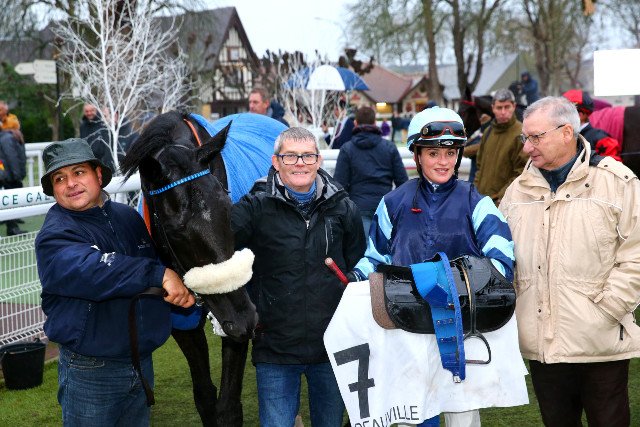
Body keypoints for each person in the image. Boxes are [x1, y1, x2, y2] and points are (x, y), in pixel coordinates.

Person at [351, 107, 524, 426]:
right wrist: (355, 278)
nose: (444, 162)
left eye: (451, 153)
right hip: (407, 328)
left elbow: (501, 263)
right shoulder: (393, 202)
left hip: (463, 331)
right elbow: (375, 258)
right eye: (433, 153)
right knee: (413, 418)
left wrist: (448, 283)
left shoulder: (477, 202)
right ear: (417, 155)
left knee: (462, 419)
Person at [499, 96, 640, 426]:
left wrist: (607, 309)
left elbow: (635, 253)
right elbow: (504, 261)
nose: (527, 148)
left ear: (566, 133)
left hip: (601, 342)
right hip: (542, 347)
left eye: (535, 137)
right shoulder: (516, 192)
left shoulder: (617, 183)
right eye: (524, 138)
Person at [35, 138, 194, 425]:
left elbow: (159, 265)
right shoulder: (55, 234)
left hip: (140, 360)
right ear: (53, 189)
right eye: (59, 178)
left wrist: (186, 284)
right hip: (89, 369)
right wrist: (159, 275)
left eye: (78, 172)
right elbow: (92, 271)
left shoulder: (128, 217)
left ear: (98, 175)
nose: (70, 183)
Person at [232, 127, 366, 427]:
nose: (300, 163)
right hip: (275, 347)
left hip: (331, 345)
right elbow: (220, 246)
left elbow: (357, 258)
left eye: (307, 156)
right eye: (290, 156)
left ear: (318, 160)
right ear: (276, 162)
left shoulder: (343, 206)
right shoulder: (253, 207)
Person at [333, 106, 408, 232]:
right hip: (385, 206)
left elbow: (340, 185)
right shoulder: (389, 147)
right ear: (374, 123)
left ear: (355, 123)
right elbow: (402, 182)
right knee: (384, 243)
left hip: (357, 206)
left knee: (363, 244)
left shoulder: (347, 149)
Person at [474, 88, 528, 205]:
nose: (503, 112)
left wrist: (501, 197)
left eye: (507, 107)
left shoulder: (522, 133)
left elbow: (522, 172)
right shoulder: (488, 132)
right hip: (481, 201)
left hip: (503, 203)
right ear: (493, 108)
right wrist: (475, 193)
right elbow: (479, 167)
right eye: (499, 108)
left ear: (514, 106)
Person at [562, 89, 621, 160]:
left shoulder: (602, 140)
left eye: (564, 112)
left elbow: (612, 165)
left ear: (580, 115)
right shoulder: (560, 135)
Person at [0, 100, 27, 235]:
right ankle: (12, 227)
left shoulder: (11, 136)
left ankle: (12, 224)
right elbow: (12, 158)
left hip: (9, 173)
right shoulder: (8, 138)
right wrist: (17, 174)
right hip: (10, 174)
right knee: (11, 200)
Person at [79, 103, 114, 173]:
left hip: (102, 163)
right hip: (88, 162)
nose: (89, 113)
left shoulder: (103, 124)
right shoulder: (83, 126)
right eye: (87, 111)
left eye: (92, 110)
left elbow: (108, 147)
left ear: (96, 110)